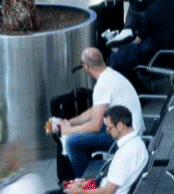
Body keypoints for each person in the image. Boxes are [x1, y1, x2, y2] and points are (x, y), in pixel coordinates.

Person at [46, 47, 143, 182]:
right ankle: (90, 177)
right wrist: (72, 121)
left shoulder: (102, 85)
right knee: (80, 133)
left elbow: (95, 126)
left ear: (86, 66)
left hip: (124, 137)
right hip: (128, 129)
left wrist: (70, 130)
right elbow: (95, 110)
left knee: (71, 142)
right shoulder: (111, 76)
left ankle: (86, 187)